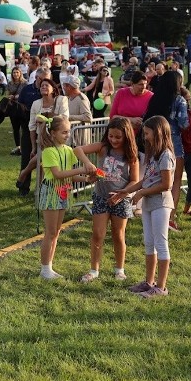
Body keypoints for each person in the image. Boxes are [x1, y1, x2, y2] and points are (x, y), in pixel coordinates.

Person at [112, 116, 175, 298]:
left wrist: (142, 193)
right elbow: (145, 181)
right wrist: (125, 192)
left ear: (158, 133)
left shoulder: (166, 156)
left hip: (161, 203)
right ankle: (149, 282)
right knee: (149, 243)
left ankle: (161, 287)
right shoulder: (153, 155)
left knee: (161, 243)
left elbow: (166, 184)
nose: (145, 137)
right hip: (149, 203)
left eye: (147, 133)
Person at [74, 117, 139, 283]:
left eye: (118, 137)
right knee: (98, 234)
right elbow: (78, 149)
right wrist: (89, 164)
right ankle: (94, 270)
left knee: (118, 235)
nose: (114, 140)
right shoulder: (103, 148)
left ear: (127, 136)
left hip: (121, 200)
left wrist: (122, 194)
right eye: (111, 136)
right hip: (101, 197)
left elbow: (134, 180)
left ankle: (119, 270)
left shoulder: (131, 155)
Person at [37, 115, 93, 279]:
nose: (68, 135)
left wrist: (86, 179)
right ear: (53, 133)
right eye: (64, 132)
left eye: (68, 131)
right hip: (51, 193)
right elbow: (58, 174)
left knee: (57, 231)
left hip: (63, 192)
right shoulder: (48, 152)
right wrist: (82, 169)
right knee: (50, 231)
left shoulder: (68, 151)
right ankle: (44, 268)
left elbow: (70, 176)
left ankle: (49, 266)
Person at [142, 71, 188, 229]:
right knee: (174, 182)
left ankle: (152, 211)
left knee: (153, 177)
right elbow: (183, 123)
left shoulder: (154, 98)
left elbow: (145, 117)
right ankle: (170, 218)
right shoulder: (179, 100)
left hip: (153, 143)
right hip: (173, 142)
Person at [16, 75, 69, 188]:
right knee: (43, 163)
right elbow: (32, 126)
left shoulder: (61, 100)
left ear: (53, 89)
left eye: (46, 85)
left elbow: (63, 118)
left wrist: (45, 118)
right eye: (41, 86)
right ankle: (41, 191)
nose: (43, 87)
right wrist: (34, 146)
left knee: (44, 161)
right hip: (43, 139)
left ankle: (25, 173)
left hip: (58, 139)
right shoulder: (36, 103)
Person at [110, 70, 153, 135]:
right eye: (140, 84)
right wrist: (130, 120)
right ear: (132, 84)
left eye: (145, 84)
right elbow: (112, 116)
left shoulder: (151, 96)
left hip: (141, 136)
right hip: (122, 134)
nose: (143, 87)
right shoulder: (121, 93)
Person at [61, 75, 91, 146]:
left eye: (64, 86)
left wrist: (69, 117)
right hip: (72, 139)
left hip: (80, 140)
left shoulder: (82, 99)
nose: (63, 88)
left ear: (69, 87)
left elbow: (88, 117)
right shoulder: (68, 98)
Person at [5, 67, 27, 155]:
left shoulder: (25, 83)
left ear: (20, 73)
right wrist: (10, 96)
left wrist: (16, 96)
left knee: (24, 127)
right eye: (14, 72)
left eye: (17, 72)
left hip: (22, 107)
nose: (15, 74)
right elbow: (7, 94)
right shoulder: (10, 83)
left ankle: (24, 146)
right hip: (13, 107)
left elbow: (25, 95)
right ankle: (18, 146)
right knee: (15, 128)